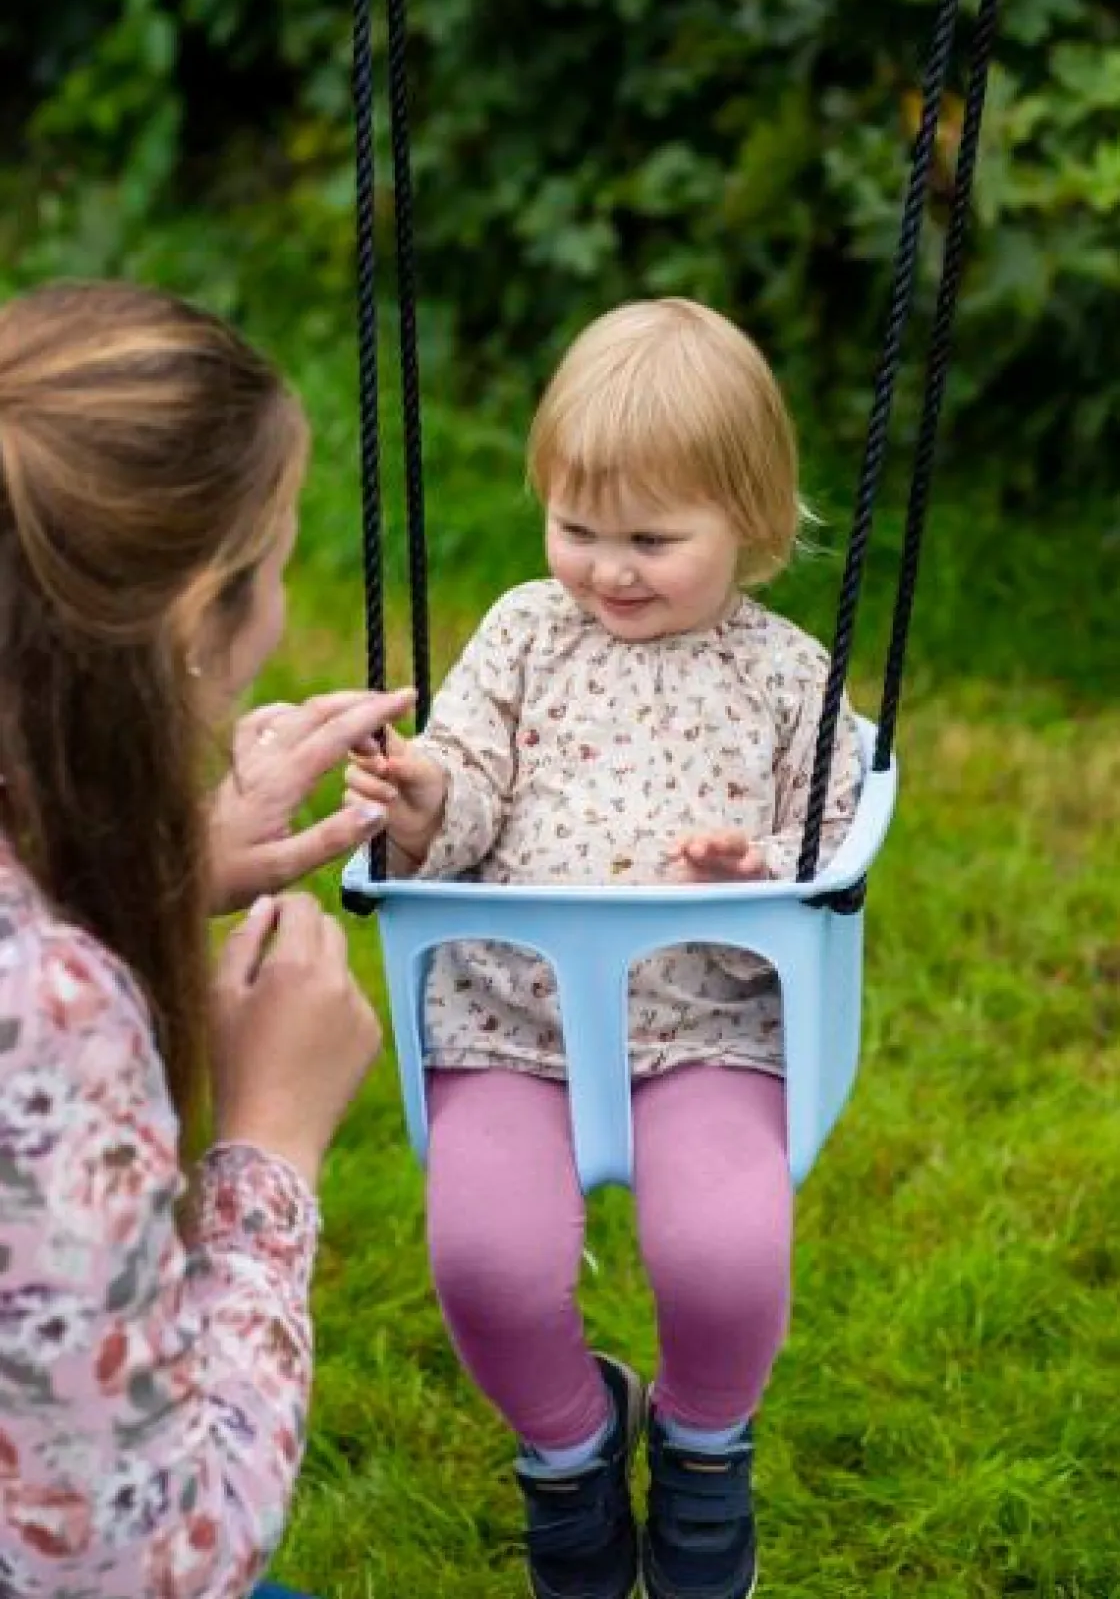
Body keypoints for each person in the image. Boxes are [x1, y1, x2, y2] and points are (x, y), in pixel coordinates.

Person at [346, 297, 864, 1599]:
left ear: (748, 525)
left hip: (707, 1021)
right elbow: (464, 786)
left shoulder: (787, 673)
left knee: (725, 1255)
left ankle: (701, 1444)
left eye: (651, 538)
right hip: (508, 1024)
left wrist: (763, 873)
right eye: (577, 528)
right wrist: (422, 802)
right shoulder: (525, 630)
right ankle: (572, 1449)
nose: (607, 569)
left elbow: (838, 826)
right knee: (486, 1264)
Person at [0, 279, 414, 1598]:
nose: (287, 607)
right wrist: (270, 1143)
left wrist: (161, 866)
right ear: (198, 618)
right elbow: (150, 1562)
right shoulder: (53, 1023)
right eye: (283, 557)